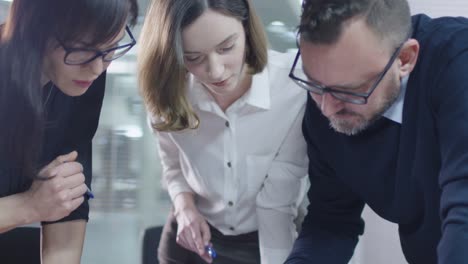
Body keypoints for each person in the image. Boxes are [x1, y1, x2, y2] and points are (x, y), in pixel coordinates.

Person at [284, 0, 468, 263]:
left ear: (405, 59)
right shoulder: (329, 99)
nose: (327, 109)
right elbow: (332, 222)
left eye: (349, 90)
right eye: (313, 84)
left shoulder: (458, 62)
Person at [138, 0, 308, 263]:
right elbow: (173, 165)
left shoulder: (293, 87)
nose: (215, 71)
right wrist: (185, 209)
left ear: (247, 30)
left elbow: (279, 202)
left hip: (269, 236)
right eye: (193, 58)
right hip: (192, 236)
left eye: (227, 47)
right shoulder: (169, 93)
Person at [0, 0, 137, 263]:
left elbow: (68, 194)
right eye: (83, 50)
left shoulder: (82, 73)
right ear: (36, 27)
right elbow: (46, 201)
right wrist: (29, 206)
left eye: (110, 48)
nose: (98, 68)